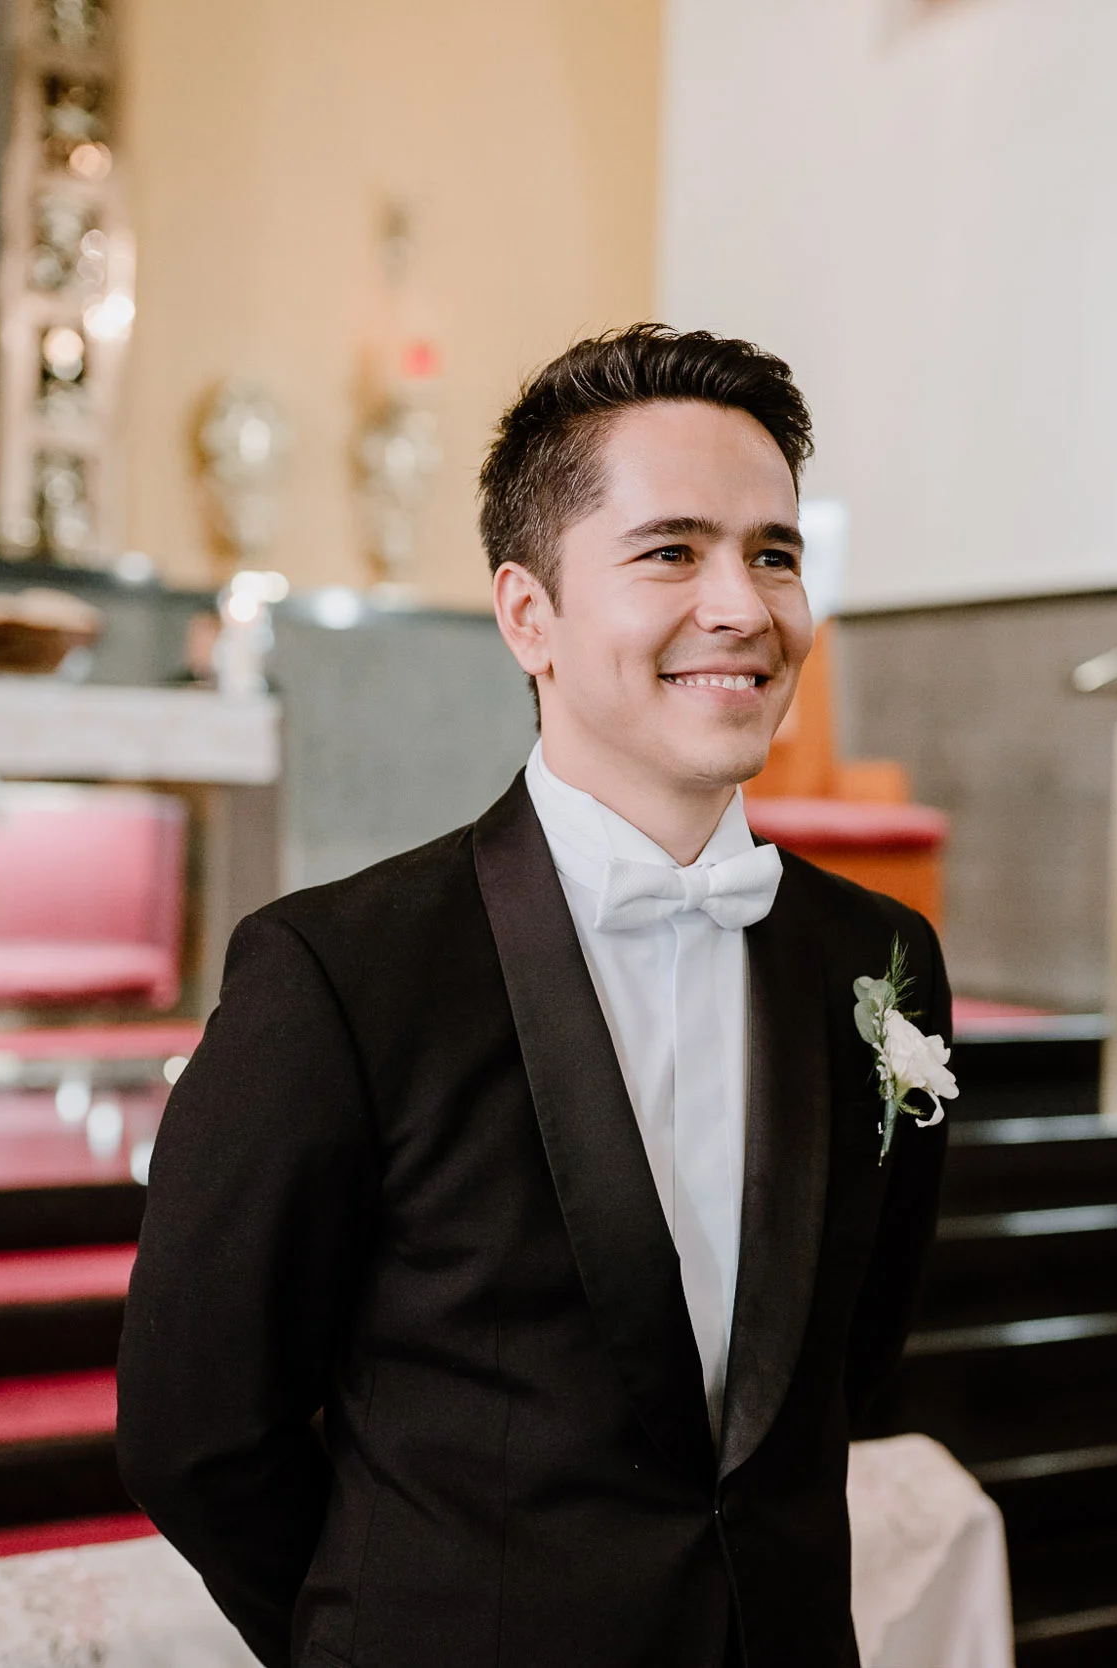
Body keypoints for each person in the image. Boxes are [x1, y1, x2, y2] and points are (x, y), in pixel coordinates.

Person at [118, 326, 955, 1668]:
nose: (743, 607)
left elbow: (846, 1362)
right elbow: (197, 1430)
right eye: (671, 552)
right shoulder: (341, 975)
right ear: (529, 616)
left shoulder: (878, 963)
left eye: (774, 554)